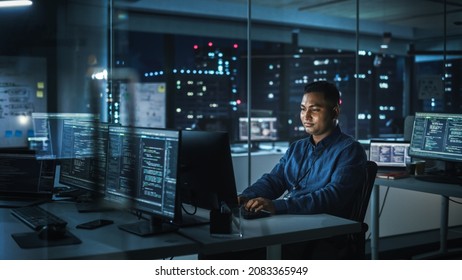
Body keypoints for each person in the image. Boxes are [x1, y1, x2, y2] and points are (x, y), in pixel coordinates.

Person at [237, 80, 367, 259]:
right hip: (292, 223)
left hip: (321, 234)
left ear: (334, 111)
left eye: (314, 109)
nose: (306, 116)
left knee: (238, 253)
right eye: (303, 109)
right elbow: (275, 179)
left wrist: (277, 206)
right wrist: (246, 196)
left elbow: (332, 197)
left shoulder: (349, 150)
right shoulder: (297, 148)